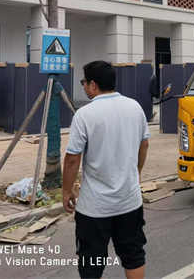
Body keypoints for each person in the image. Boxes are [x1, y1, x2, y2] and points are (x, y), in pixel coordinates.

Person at [63, 61, 150, 279]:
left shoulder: (85, 114)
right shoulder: (134, 107)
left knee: (91, 264)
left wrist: (66, 191)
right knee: (133, 255)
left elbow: (73, 159)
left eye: (84, 82)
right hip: (130, 202)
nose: (84, 86)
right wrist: (136, 174)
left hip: (95, 208)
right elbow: (144, 144)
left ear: (93, 84)